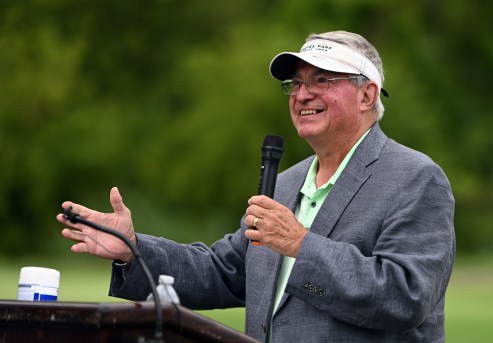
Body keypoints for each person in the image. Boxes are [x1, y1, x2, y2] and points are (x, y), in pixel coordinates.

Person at [57, 30, 455, 343]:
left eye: (322, 80)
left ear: (367, 94)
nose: (302, 94)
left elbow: (406, 297)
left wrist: (301, 244)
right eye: (295, 84)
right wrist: (133, 251)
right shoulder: (287, 184)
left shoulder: (415, 178)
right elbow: (223, 272)